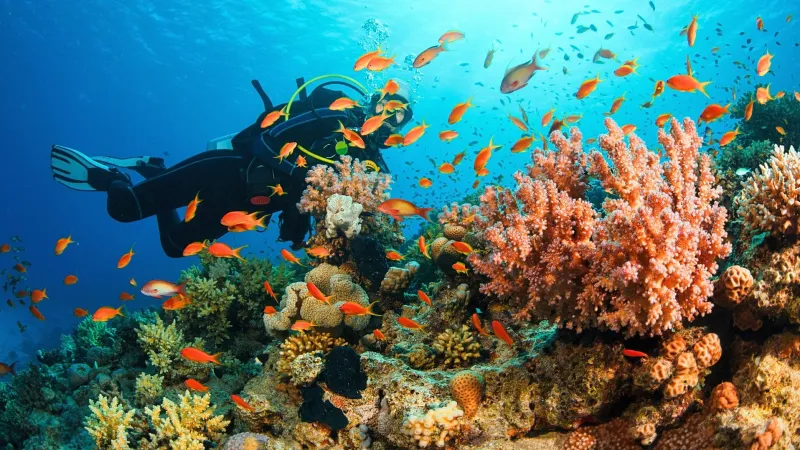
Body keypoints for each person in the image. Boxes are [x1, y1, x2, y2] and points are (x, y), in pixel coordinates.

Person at [50, 76, 414, 257]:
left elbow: (326, 208)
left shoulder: (371, 167)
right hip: (229, 169)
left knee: (176, 248)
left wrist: (301, 222)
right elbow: (263, 141)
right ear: (373, 103)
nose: (390, 121)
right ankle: (112, 176)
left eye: (401, 119)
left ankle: (155, 170)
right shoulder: (331, 117)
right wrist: (299, 175)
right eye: (388, 109)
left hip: (246, 208)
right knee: (124, 209)